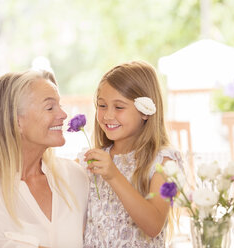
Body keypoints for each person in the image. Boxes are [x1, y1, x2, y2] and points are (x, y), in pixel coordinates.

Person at [0, 70, 89, 248]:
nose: (63, 114)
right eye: (50, 107)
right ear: (17, 121)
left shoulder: (75, 176)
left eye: (60, 105)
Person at [78, 60, 183, 247]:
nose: (108, 115)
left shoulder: (163, 162)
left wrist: (113, 175)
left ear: (145, 112)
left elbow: (153, 225)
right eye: (102, 106)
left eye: (119, 107)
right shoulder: (90, 159)